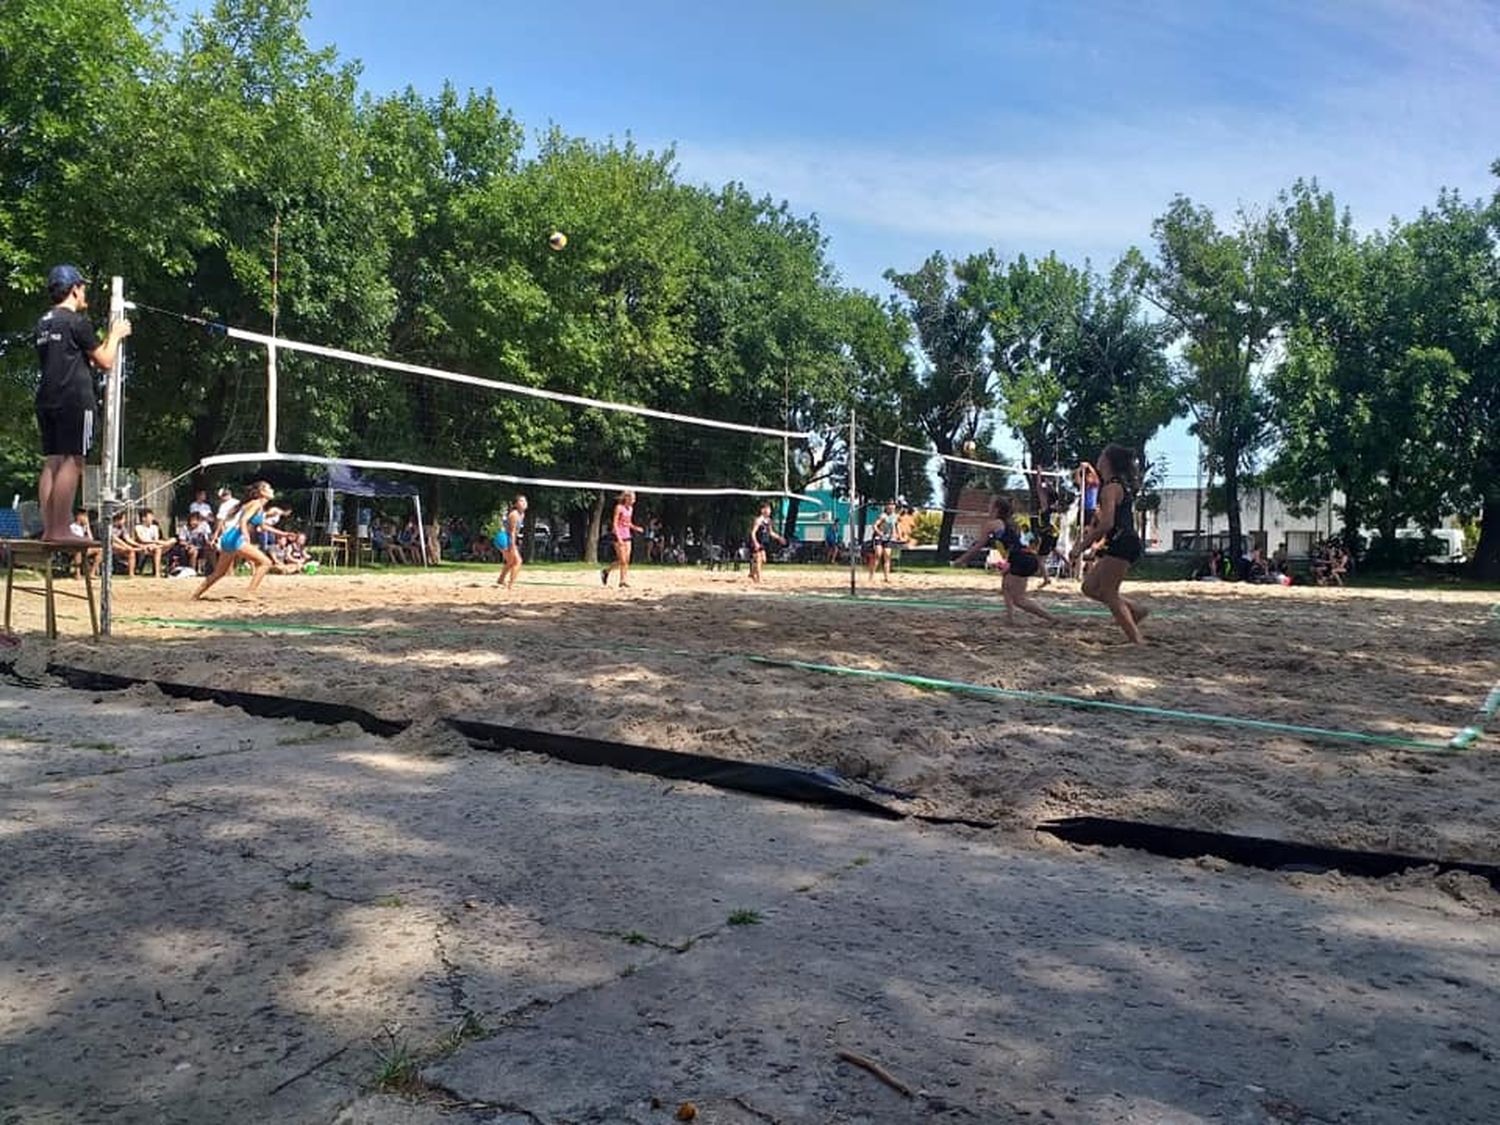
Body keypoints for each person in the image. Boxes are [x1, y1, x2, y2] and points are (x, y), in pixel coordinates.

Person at [34, 265, 131, 544]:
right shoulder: (75, 321)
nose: (85, 291)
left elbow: (66, 358)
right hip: (75, 399)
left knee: (53, 460)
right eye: (83, 287)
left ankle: (51, 529)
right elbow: (106, 361)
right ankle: (61, 529)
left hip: (47, 398)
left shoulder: (43, 322)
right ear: (74, 289)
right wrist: (115, 334)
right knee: (74, 460)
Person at [1070, 445, 1149, 644]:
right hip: (1122, 541)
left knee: (1109, 592)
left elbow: (1107, 524)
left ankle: (1136, 640)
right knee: (1089, 587)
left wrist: (1082, 545)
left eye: (1102, 455)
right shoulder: (1112, 485)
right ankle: (1136, 610)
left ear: (1107, 461)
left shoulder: (1110, 488)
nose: (1098, 457)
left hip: (1123, 542)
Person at [953, 497, 1058, 626]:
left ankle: (1051, 618)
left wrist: (962, 560)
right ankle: (1010, 618)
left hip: (1021, 560)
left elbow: (978, 546)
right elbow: (1024, 543)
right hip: (1024, 558)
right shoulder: (1013, 522)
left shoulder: (992, 524)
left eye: (990, 504)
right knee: (1006, 586)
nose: (988, 507)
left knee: (1019, 599)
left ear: (996, 508)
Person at [194, 481, 276, 599]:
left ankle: (195, 595)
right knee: (266, 563)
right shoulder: (256, 504)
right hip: (236, 538)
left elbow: (263, 526)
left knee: (219, 573)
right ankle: (249, 593)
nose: (272, 490)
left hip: (229, 537)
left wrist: (284, 533)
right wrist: (246, 535)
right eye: (270, 488)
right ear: (262, 492)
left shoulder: (257, 505)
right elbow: (243, 520)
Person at [601, 490, 642, 588]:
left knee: (626, 560)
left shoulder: (630, 509)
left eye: (634, 499)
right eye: (632, 498)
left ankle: (622, 580)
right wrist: (618, 537)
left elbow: (628, 523)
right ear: (627, 498)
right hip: (618, 535)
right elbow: (615, 523)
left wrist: (636, 528)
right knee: (622, 559)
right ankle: (607, 571)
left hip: (627, 535)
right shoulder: (619, 508)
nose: (634, 501)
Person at [748, 501, 786, 584]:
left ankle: (752, 573)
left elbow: (771, 533)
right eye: (767, 509)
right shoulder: (758, 520)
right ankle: (759, 579)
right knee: (758, 559)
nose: (769, 511)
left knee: (764, 560)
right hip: (756, 542)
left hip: (763, 542)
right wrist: (755, 543)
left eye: (769, 509)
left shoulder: (768, 521)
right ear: (763, 510)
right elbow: (753, 533)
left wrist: (779, 538)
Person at [495, 495, 527, 590]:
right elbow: (512, 532)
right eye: (521, 501)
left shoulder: (522, 514)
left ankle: (500, 580)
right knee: (518, 561)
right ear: (516, 504)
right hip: (503, 537)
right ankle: (511, 585)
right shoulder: (514, 514)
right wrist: (512, 545)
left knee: (510, 561)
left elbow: (515, 532)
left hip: (507, 537)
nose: (524, 503)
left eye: (525, 501)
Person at [868, 501, 901, 583]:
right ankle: (871, 576)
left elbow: (897, 526)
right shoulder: (883, 516)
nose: (891, 507)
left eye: (893, 506)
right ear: (887, 507)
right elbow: (874, 525)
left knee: (887, 556)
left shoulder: (895, 516)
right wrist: (879, 532)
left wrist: (898, 535)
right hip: (879, 537)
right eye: (890, 505)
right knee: (878, 555)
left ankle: (887, 577)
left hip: (888, 539)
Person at [133, 508, 170, 577]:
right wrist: (155, 542)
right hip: (143, 547)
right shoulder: (138, 527)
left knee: (171, 541)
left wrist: (155, 543)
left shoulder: (154, 527)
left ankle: (158, 572)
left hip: (154, 546)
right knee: (158, 549)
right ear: (144, 518)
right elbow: (142, 540)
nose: (152, 518)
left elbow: (156, 538)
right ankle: (157, 573)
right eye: (150, 517)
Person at [68, 509, 102, 579]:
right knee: (78, 551)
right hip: (74, 549)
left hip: (85, 548)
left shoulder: (84, 528)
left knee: (100, 550)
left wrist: (88, 528)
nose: (86, 518)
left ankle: (92, 572)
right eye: (84, 516)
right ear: (79, 517)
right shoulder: (72, 527)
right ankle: (77, 573)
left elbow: (91, 539)